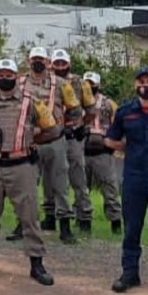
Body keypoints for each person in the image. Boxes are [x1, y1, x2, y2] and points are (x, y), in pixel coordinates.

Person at [0, 58, 57, 286]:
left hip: (21, 166)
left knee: (29, 216)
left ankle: (36, 264)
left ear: (17, 77)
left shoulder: (31, 101)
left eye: (9, 75)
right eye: (1, 74)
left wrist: (30, 139)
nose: (4, 78)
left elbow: (52, 127)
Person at [15, 45, 81, 245]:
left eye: (42, 59)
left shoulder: (60, 83)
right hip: (29, 143)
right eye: (34, 58)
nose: (38, 62)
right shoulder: (19, 83)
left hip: (55, 141)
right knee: (26, 185)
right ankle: (22, 225)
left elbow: (76, 109)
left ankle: (65, 227)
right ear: (29, 61)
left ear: (47, 62)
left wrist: (66, 125)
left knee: (60, 184)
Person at [105, 66, 148, 292]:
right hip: (134, 176)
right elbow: (110, 140)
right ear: (135, 85)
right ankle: (130, 273)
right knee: (132, 226)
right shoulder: (125, 111)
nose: (145, 86)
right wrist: (128, 148)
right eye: (141, 81)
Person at [50, 48, 96, 234]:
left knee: (78, 177)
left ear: (69, 63)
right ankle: (53, 215)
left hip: (72, 136)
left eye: (63, 63)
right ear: (51, 64)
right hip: (51, 136)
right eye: (57, 63)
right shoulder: (47, 83)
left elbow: (92, 110)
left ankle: (84, 216)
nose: (60, 66)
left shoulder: (81, 83)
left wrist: (81, 126)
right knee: (53, 179)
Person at [82, 71, 122, 234]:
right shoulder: (76, 103)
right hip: (82, 152)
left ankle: (116, 224)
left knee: (110, 189)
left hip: (103, 154)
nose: (89, 86)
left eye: (92, 83)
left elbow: (119, 125)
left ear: (98, 85)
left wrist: (112, 146)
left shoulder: (108, 103)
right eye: (86, 83)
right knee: (81, 190)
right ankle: (83, 223)